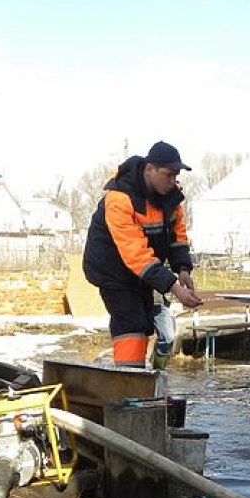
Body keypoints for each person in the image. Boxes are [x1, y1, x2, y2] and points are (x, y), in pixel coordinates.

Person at [83, 141, 203, 367]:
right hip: (112, 269)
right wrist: (174, 287)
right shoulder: (120, 199)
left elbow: (177, 234)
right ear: (149, 169)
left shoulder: (171, 196)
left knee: (147, 323)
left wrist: (183, 269)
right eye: (168, 175)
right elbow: (135, 253)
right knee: (132, 323)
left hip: (142, 270)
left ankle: (146, 377)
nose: (173, 181)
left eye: (176, 175)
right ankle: (130, 384)